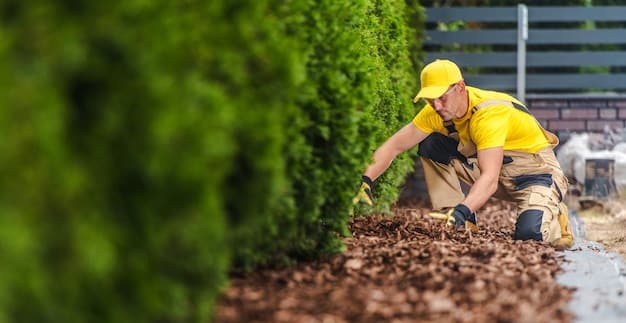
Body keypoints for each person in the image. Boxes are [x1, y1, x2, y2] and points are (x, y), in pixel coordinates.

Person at [353, 59, 574, 249]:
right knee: (432, 144)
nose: (436, 105)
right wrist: (366, 180)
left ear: (460, 87)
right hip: (496, 172)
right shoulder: (436, 112)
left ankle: (556, 217)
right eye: (430, 99)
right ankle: (456, 218)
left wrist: (464, 209)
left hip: (536, 176)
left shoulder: (489, 115)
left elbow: (489, 180)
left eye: (441, 97)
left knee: (529, 236)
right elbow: (394, 146)